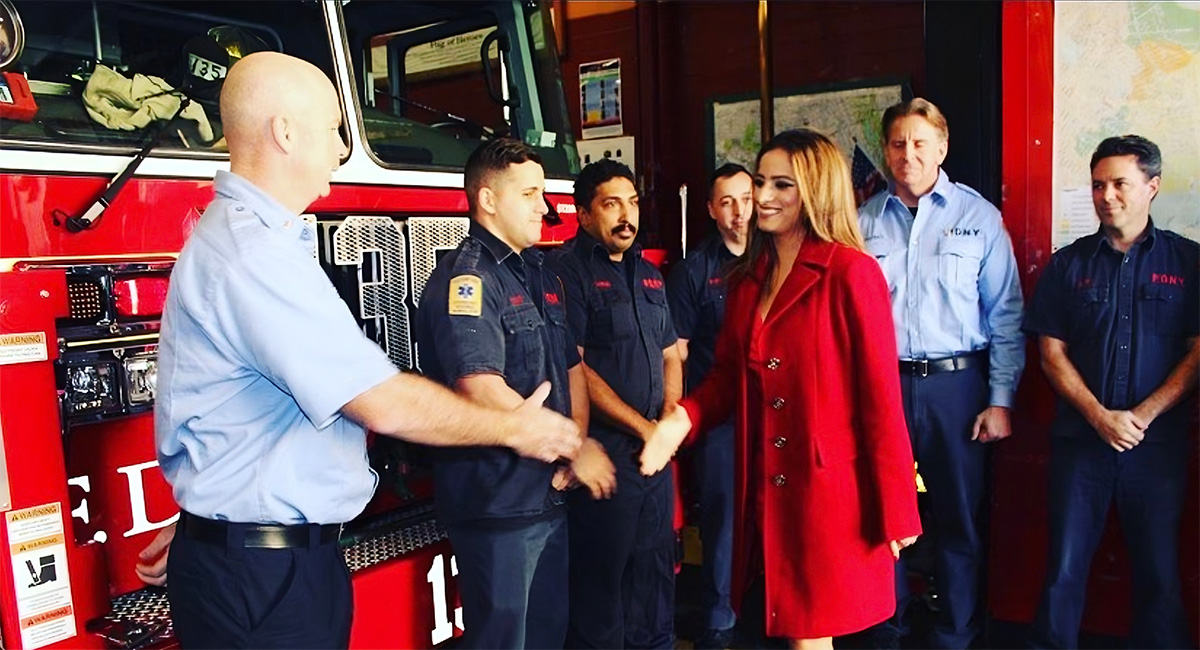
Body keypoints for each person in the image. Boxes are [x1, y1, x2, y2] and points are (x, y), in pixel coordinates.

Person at [154, 52, 580, 649]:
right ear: (284, 132)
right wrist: (515, 429)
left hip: (264, 558)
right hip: (264, 576)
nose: (340, 147)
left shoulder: (252, 243)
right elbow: (382, 403)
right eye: (335, 129)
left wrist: (213, 513)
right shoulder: (254, 257)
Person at [641, 128, 922, 650]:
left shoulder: (851, 273)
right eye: (760, 182)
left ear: (815, 192)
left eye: (781, 186)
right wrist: (681, 419)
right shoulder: (749, 278)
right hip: (765, 485)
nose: (762, 198)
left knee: (809, 632)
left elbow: (880, 399)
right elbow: (727, 375)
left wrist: (898, 509)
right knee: (786, 628)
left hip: (828, 494)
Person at [415, 137, 616, 649]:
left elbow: (572, 367)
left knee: (547, 637)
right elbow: (480, 388)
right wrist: (576, 447)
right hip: (498, 507)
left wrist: (574, 451)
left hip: (548, 495)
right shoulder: (468, 280)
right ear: (487, 200)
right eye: (529, 194)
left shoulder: (540, 275)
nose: (544, 207)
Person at [856, 97, 1025, 648]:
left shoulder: (978, 218)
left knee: (958, 519)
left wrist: (1000, 400)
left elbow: (1005, 315)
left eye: (920, 143)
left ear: (942, 148)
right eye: (899, 144)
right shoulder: (861, 223)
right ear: (886, 150)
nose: (908, 154)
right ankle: (888, 627)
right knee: (882, 517)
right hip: (883, 388)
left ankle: (955, 634)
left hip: (957, 389)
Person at [1025, 135, 1198, 649]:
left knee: (1160, 576)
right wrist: (1100, 417)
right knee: (1063, 572)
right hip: (1081, 447)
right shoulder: (1067, 265)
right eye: (1098, 184)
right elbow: (1050, 353)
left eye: (1120, 183)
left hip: (1157, 451)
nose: (1107, 195)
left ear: (1152, 186)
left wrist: (1140, 416)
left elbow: (1197, 353)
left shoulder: (1189, 263)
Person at [546, 159, 684, 649]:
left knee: (654, 579)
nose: (626, 215)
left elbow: (672, 356)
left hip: (654, 457)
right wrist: (644, 430)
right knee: (602, 590)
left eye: (631, 203)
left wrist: (667, 419)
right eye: (611, 205)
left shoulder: (649, 275)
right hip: (606, 457)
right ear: (583, 215)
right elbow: (576, 369)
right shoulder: (566, 274)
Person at [665, 162, 752, 649]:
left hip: (773, 413)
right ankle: (720, 620)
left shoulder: (775, 257)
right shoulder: (694, 271)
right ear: (711, 210)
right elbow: (674, 354)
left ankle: (765, 611)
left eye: (746, 198)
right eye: (727, 202)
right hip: (718, 418)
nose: (739, 212)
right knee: (723, 521)